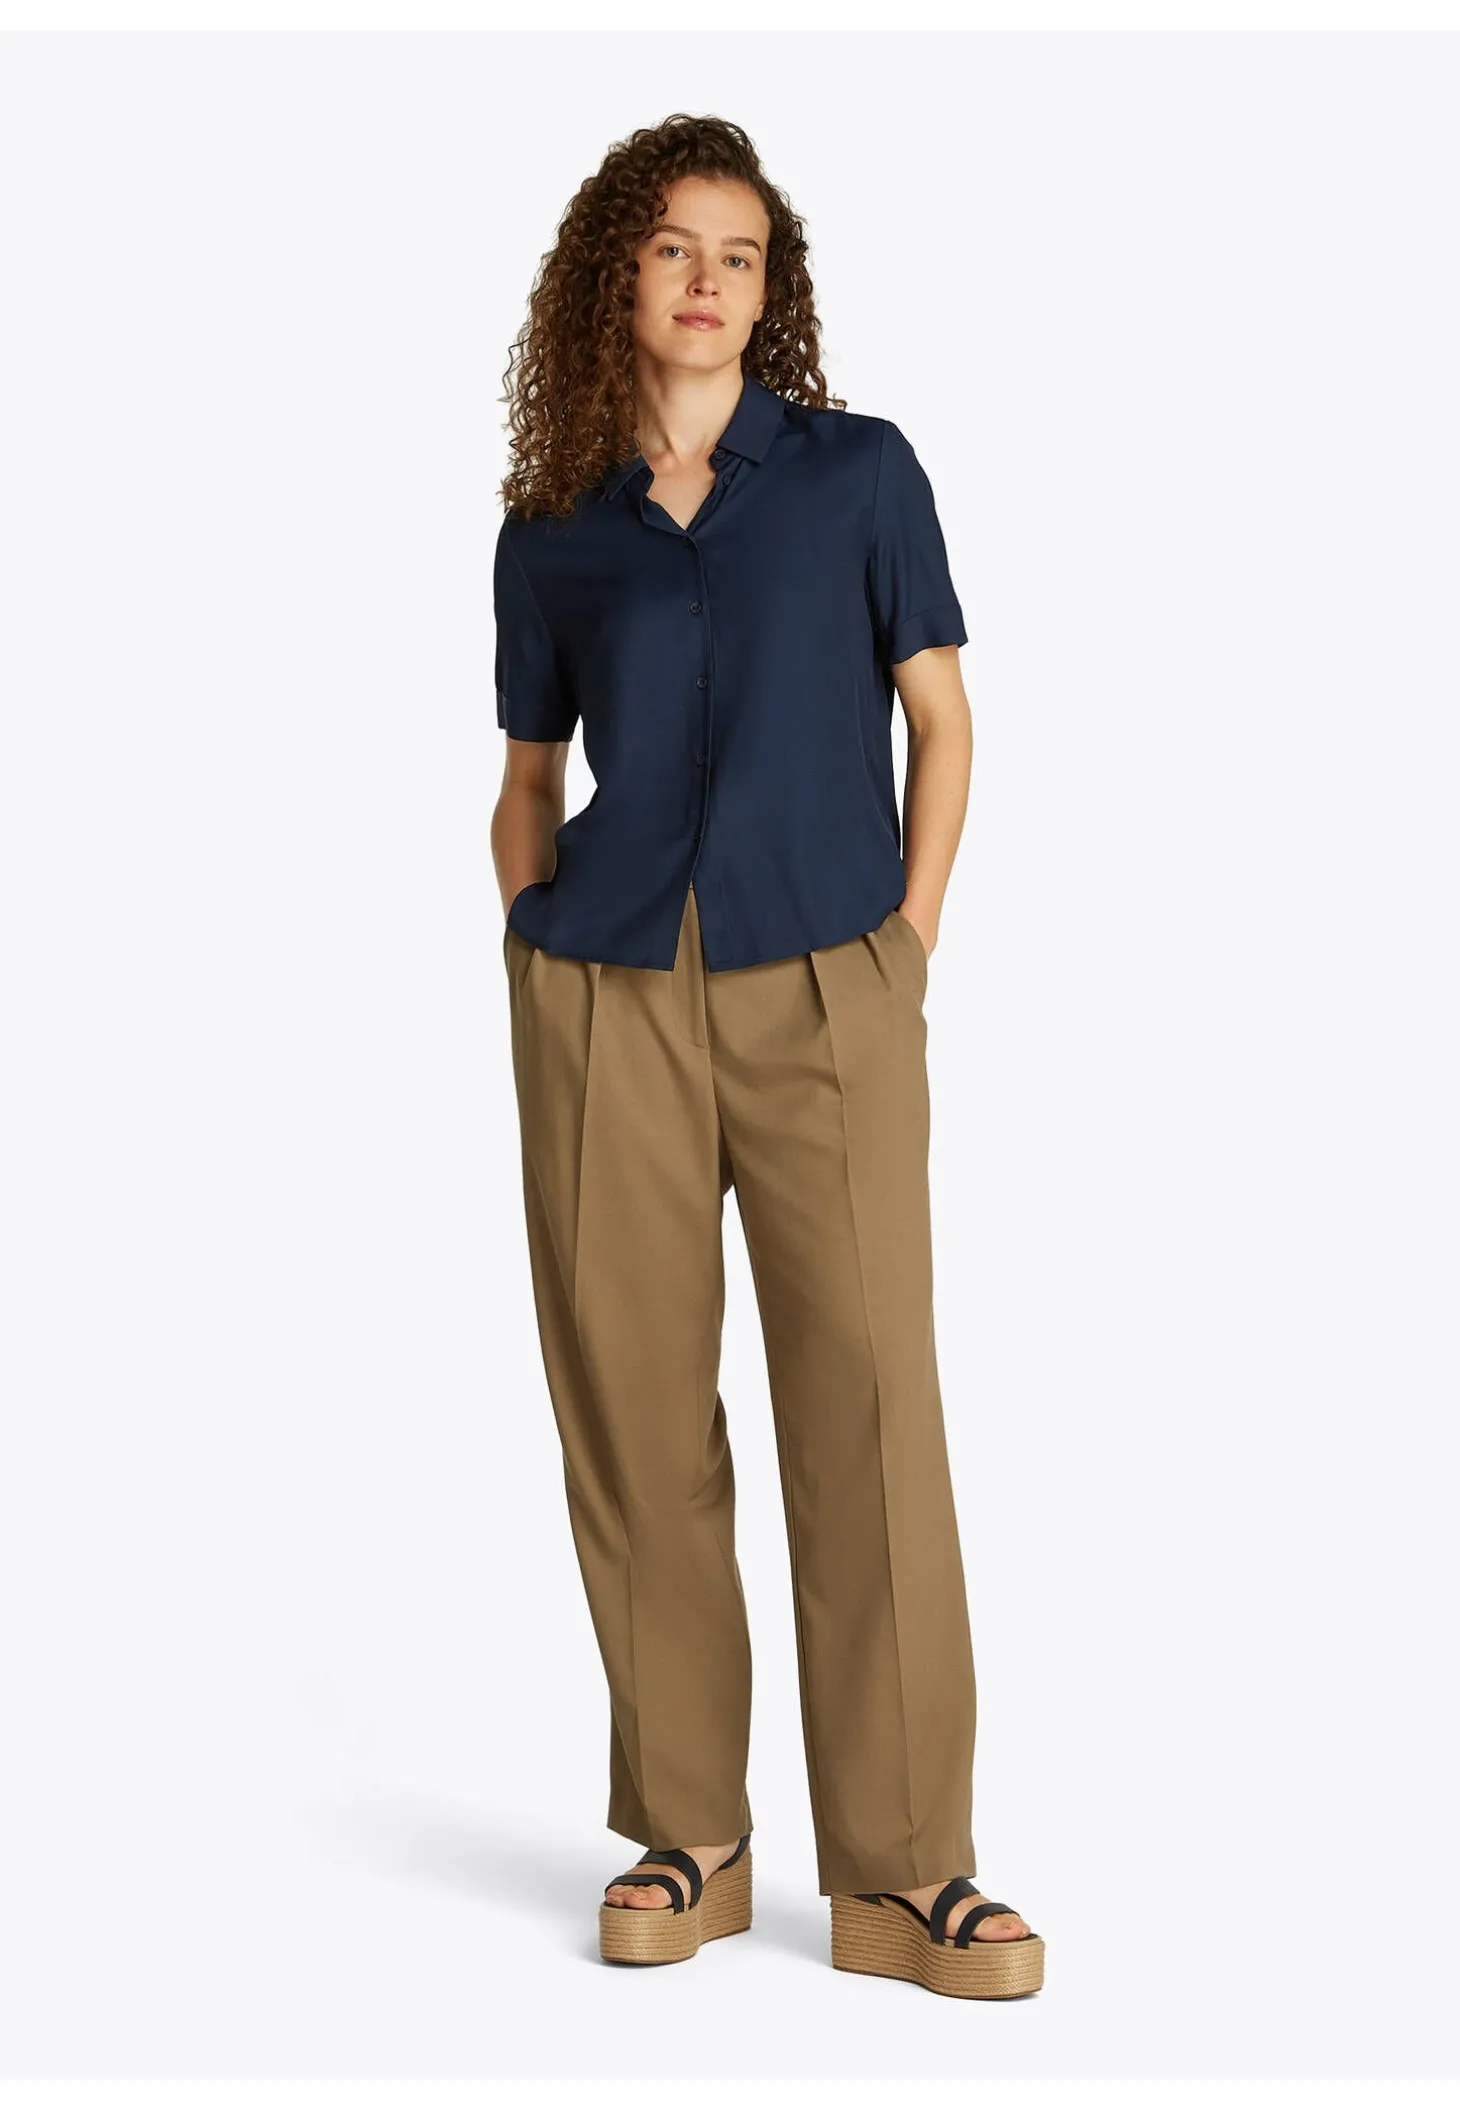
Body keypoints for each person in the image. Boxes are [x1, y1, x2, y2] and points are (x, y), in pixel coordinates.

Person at [490, 112, 1043, 2001]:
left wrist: (905, 948)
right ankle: (693, 1838)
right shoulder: (553, 526)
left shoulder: (860, 476)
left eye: (738, 252)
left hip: (832, 985)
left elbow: (943, 722)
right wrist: (533, 940)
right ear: (616, 280)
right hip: (607, 997)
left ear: (772, 287)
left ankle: (905, 1871)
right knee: (637, 1418)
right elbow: (527, 776)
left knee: (871, 1409)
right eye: (672, 248)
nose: (707, 279)